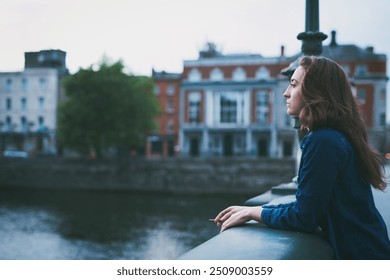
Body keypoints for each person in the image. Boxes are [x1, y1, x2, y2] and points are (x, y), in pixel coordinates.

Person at [214, 56, 390, 260]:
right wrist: (258, 209)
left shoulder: (323, 141)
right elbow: (309, 204)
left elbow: (304, 216)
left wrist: (253, 213)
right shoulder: (337, 136)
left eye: (294, 85)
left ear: (316, 92)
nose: (285, 93)